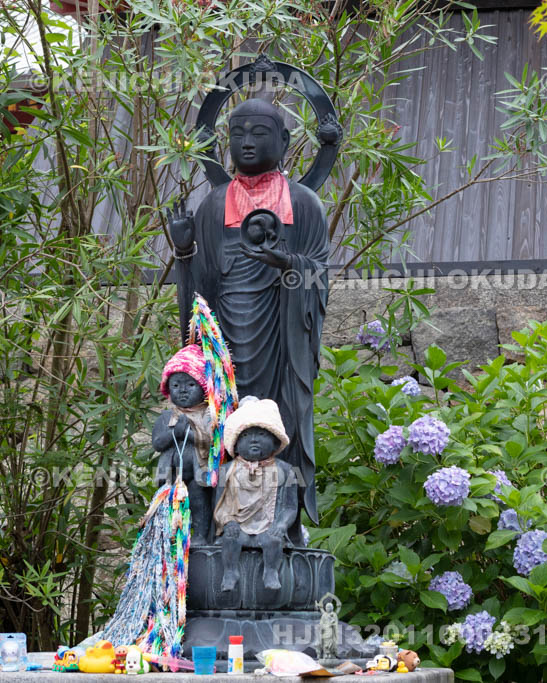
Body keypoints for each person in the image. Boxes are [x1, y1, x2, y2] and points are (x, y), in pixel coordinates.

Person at [167, 98, 327, 543]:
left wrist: (287, 263)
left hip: (281, 335)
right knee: (220, 425)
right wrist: (184, 252)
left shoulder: (304, 204)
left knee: (279, 425)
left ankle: (283, 527)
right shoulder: (213, 205)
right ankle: (221, 527)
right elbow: (199, 297)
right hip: (225, 345)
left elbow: (319, 274)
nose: (247, 142)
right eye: (237, 133)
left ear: (285, 141)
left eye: (259, 133)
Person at [213, 396, 298, 592]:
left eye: (261, 434)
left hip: (268, 527)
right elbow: (220, 504)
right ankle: (230, 571)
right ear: (235, 443)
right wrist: (228, 521)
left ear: (275, 441)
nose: (253, 440)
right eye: (245, 435)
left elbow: (290, 506)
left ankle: (270, 571)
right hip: (239, 527)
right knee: (230, 539)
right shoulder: (228, 471)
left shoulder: (285, 471)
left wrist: (281, 524)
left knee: (273, 540)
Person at [151, 344, 214, 544]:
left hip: (198, 471)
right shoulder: (166, 416)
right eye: (176, 386)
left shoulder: (208, 415)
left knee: (198, 500)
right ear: (168, 389)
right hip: (170, 473)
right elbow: (157, 443)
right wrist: (173, 434)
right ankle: (169, 535)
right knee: (169, 503)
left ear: (203, 388)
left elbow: (213, 442)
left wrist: (190, 433)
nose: (183, 391)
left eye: (190, 385)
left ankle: (201, 535)